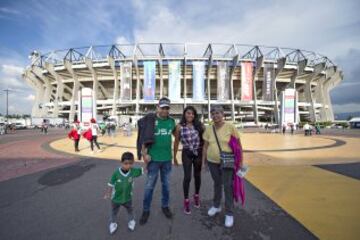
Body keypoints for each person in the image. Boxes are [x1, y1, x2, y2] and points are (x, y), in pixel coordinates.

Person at [137, 97, 176, 225]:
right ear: (157, 107)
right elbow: (143, 138)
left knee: (166, 186)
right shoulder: (151, 121)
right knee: (149, 187)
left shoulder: (171, 122)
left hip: (167, 160)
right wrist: (144, 155)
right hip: (153, 160)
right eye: (162, 107)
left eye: (167, 108)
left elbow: (178, 135)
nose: (165, 110)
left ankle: (165, 207)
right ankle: (146, 210)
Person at [202, 106, 242, 228]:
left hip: (227, 162)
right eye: (213, 113)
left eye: (218, 113)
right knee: (217, 184)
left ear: (223, 114)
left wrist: (240, 162)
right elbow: (205, 146)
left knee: (228, 186)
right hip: (212, 161)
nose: (215, 116)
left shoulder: (230, 127)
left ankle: (229, 213)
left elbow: (239, 146)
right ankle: (216, 206)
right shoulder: (209, 129)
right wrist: (204, 163)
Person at [173, 106, 204, 214]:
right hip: (186, 153)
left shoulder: (199, 126)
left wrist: (205, 157)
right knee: (187, 177)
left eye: (192, 114)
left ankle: (196, 195)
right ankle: (186, 200)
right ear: (184, 114)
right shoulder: (179, 127)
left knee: (197, 176)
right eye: (188, 113)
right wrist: (174, 157)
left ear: (195, 115)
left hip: (198, 153)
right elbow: (176, 142)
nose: (190, 115)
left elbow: (205, 141)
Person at [104, 152, 143, 234]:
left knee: (130, 210)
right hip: (116, 199)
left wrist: (147, 161)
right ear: (121, 162)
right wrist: (108, 193)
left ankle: (131, 221)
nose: (128, 166)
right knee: (114, 212)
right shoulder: (116, 173)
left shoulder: (133, 171)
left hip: (128, 198)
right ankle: (113, 223)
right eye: (125, 163)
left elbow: (143, 170)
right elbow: (110, 184)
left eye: (130, 163)